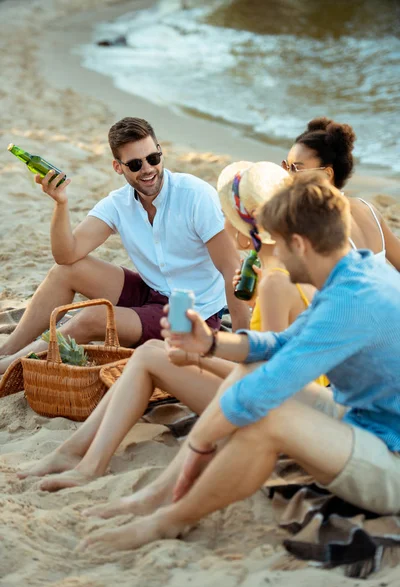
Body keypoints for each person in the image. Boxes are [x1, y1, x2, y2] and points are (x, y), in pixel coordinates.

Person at [76, 171, 400, 552]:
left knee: (266, 417)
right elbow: (281, 344)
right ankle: (159, 496)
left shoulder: (351, 303)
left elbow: (258, 396)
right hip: (368, 422)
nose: (274, 251)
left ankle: (169, 517)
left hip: (390, 458)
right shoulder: (360, 270)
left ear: (299, 243)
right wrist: (212, 343)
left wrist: (199, 444)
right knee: (251, 371)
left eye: (280, 243)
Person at [18, 161, 309, 490]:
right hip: (287, 394)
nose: (223, 227)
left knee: (151, 355)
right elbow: (263, 348)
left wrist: (206, 352)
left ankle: (83, 461)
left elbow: (262, 373)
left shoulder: (273, 282)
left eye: (227, 218)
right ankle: (78, 457)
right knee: (155, 353)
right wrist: (210, 348)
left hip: (277, 407)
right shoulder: (280, 270)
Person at [0, 117, 249, 373]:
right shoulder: (118, 204)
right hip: (151, 293)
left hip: (191, 315)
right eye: (135, 164)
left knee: (92, 318)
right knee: (66, 271)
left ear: (160, 151)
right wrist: (61, 204)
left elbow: (232, 269)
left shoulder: (195, 195)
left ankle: (9, 367)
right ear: (118, 167)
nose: (148, 169)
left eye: (153, 158)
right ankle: (7, 350)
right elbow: (66, 254)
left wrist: (242, 345)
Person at [282, 117, 400, 270]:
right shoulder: (368, 209)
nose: (287, 175)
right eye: (286, 166)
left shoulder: (315, 223)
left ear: (327, 173)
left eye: (296, 168)